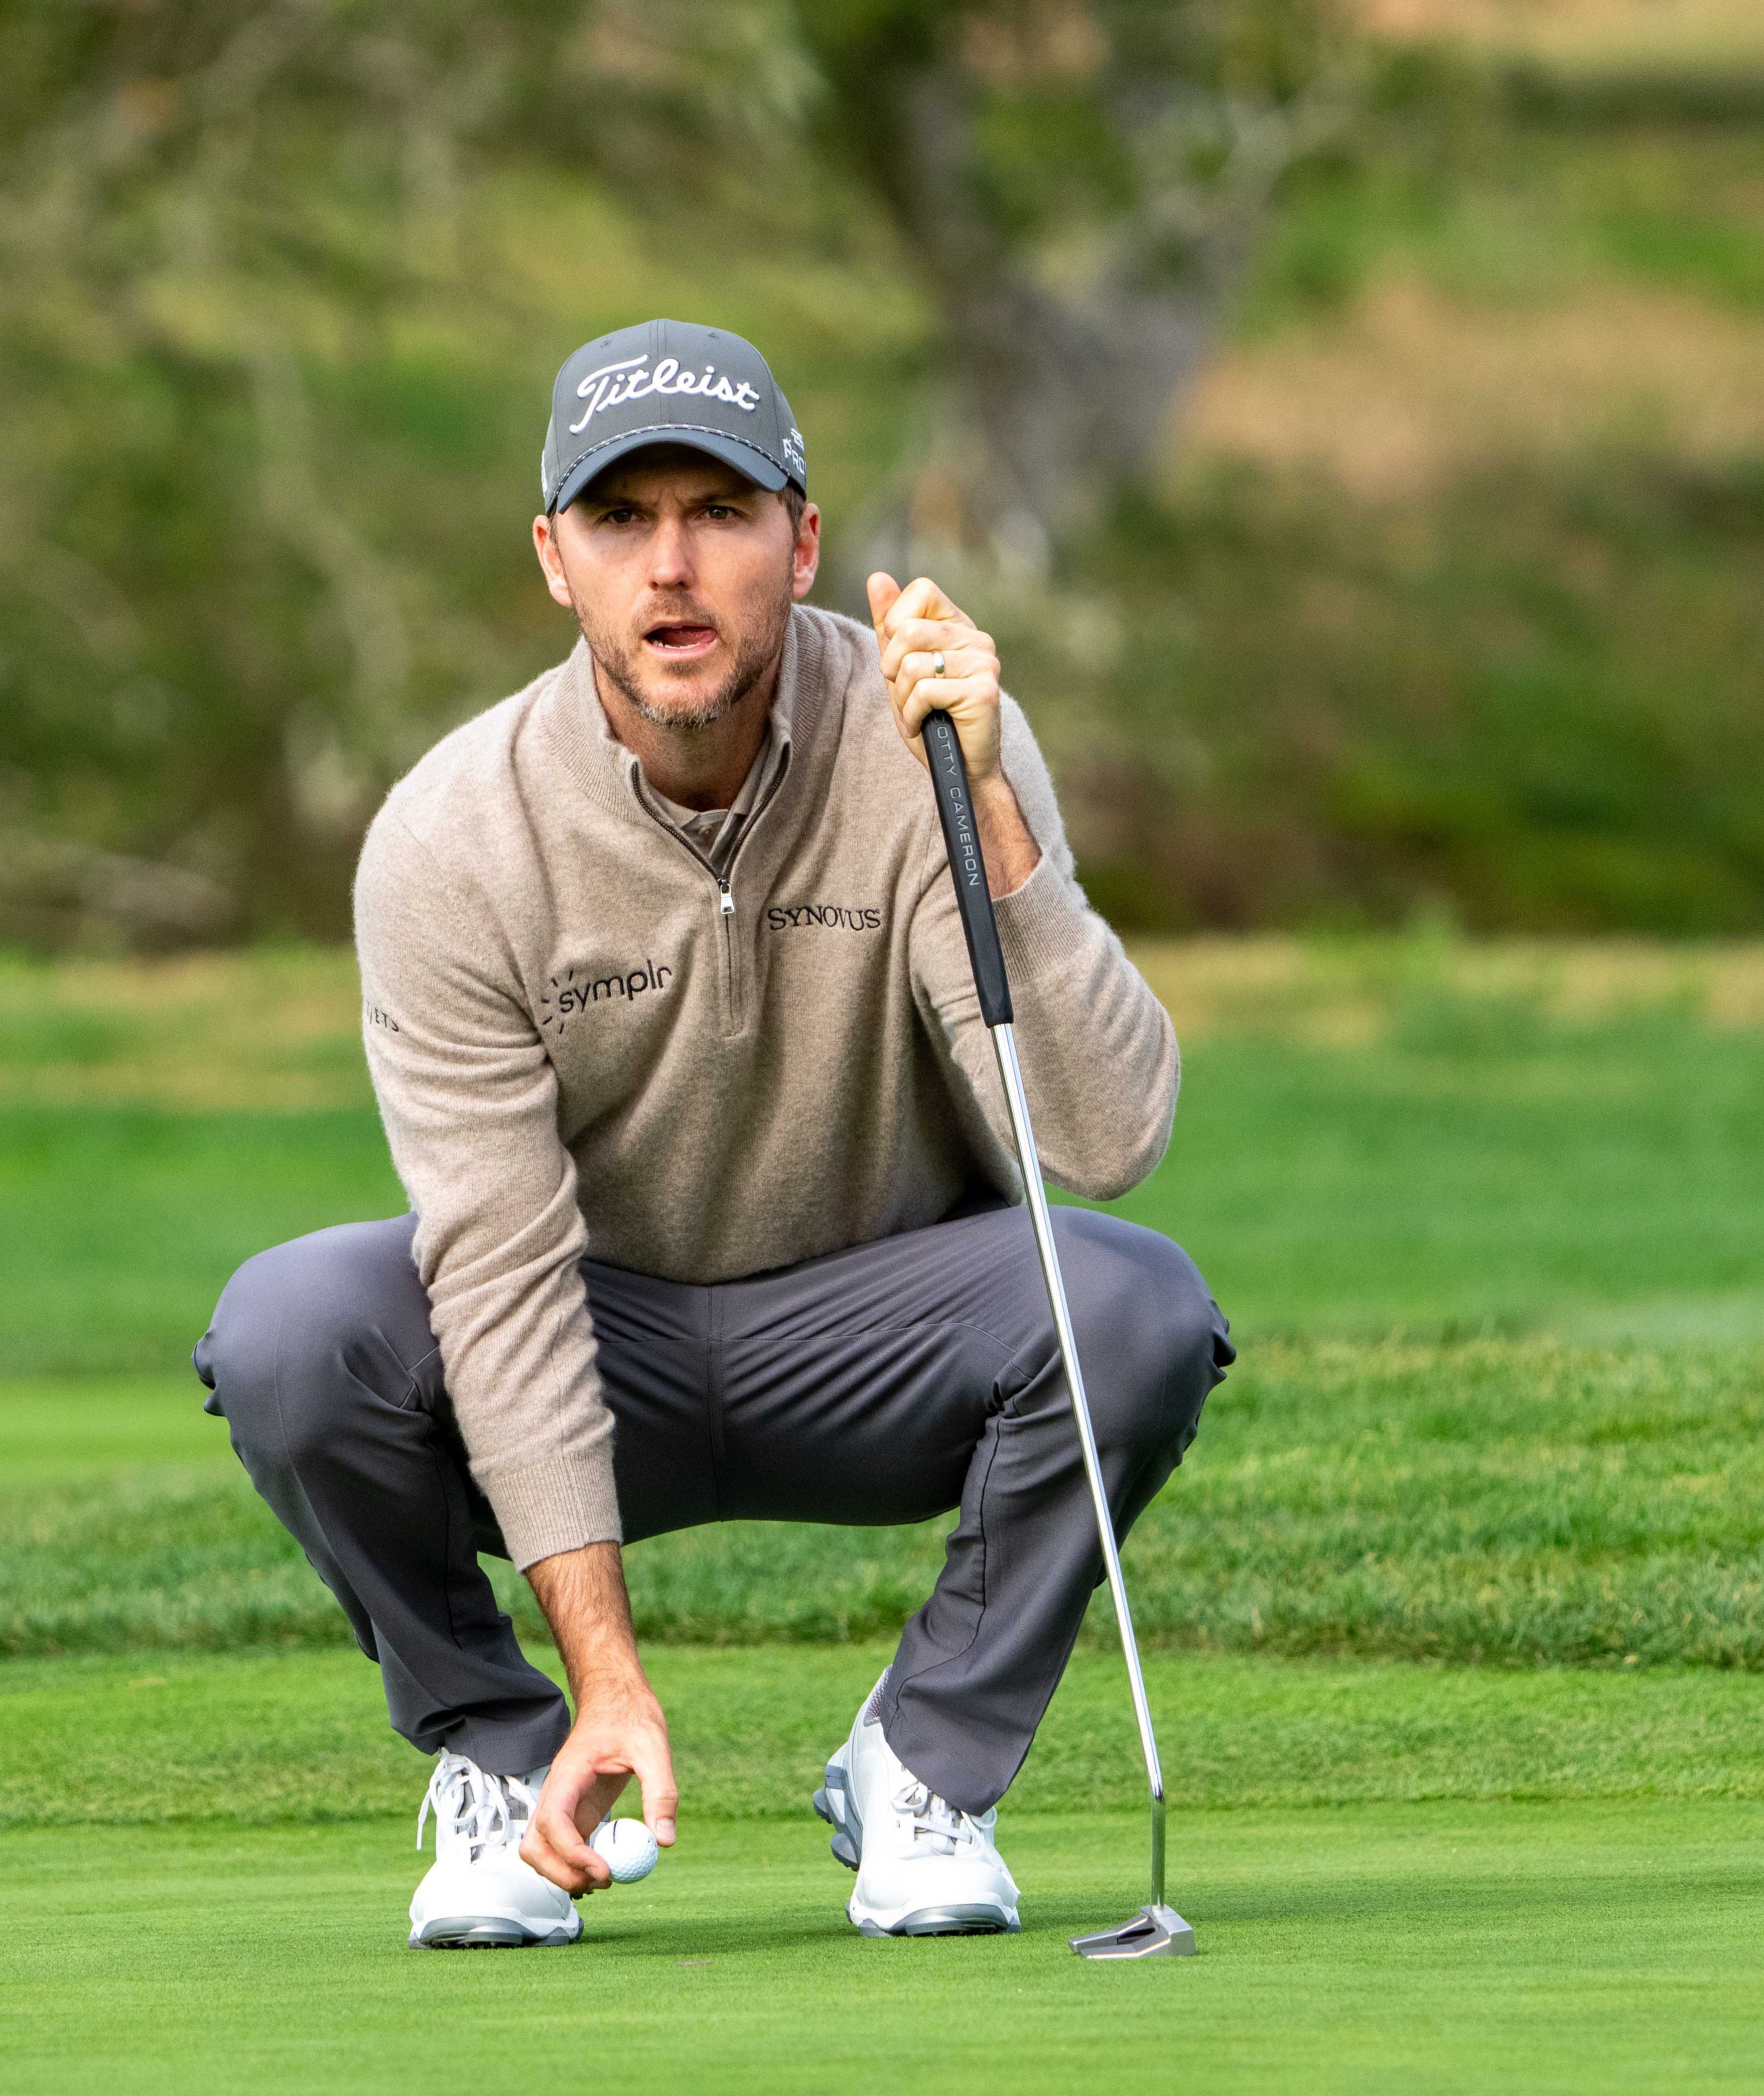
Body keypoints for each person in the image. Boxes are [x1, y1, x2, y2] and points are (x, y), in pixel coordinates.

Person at [196, 318, 1231, 1948]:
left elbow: (1100, 1139)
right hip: (605, 1343)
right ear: (553, 559)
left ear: (803, 538)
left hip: (881, 1328)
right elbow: (501, 1268)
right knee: (293, 1331)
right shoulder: (452, 835)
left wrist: (995, 808)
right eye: (620, 520)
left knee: (1136, 1305)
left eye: (719, 512)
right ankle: (510, 1761)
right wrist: (607, 1675)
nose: (669, 569)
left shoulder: (932, 741)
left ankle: (921, 1765)